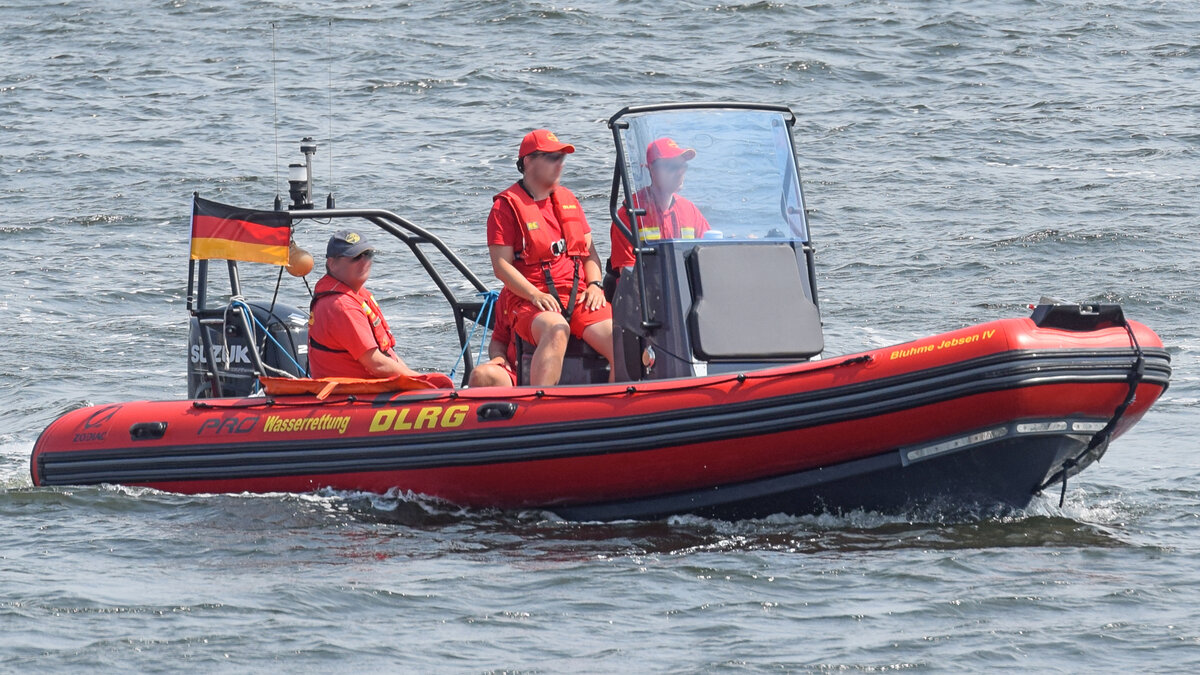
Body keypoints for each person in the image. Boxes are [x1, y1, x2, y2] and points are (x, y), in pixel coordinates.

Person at [487, 129, 615, 386]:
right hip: (531, 300)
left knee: (623, 342)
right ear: (527, 162)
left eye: (561, 158)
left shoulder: (568, 200)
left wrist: (595, 284)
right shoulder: (505, 207)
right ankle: (538, 410)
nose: (560, 163)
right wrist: (535, 294)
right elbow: (501, 266)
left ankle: (617, 412)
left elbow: (590, 254)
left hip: (578, 296)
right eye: (552, 157)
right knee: (556, 328)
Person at [307, 230, 421, 380]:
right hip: (351, 397)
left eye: (368, 255)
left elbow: (387, 354)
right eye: (355, 257)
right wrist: (427, 380)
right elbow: (377, 364)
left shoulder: (357, 295)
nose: (364, 261)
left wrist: (419, 380)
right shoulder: (341, 306)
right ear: (332, 264)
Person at [607, 137, 710, 279]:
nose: (681, 172)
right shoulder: (628, 214)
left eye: (683, 166)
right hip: (646, 295)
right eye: (673, 167)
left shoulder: (689, 210)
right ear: (652, 170)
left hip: (684, 292)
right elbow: (628, 276)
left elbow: (709, 251)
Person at [467, 291, 518, 388]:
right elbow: (499, 339)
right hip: (514, 372)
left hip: (546, 377)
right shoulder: (508, 293)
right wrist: (499, 356)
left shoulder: (554, 291)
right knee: (479, 375)